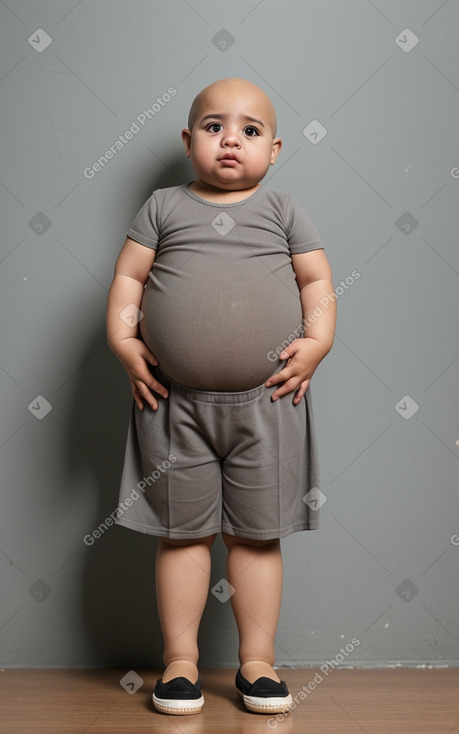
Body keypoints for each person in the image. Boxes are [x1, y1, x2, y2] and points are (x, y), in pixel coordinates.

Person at [106, 77, 336, 716]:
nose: (230, 138)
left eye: (250, 130)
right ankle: (180, 661)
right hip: (174, 406)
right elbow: (129, 278)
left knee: (257, 538)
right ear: (188, 141)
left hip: (268, 405)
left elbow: (316, 278)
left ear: (275, 148)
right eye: (213, 126)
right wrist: (126, 345)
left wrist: (317, 341)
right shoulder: (162, 207)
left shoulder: (284, 210)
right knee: (181, 535)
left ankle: (256, 662)